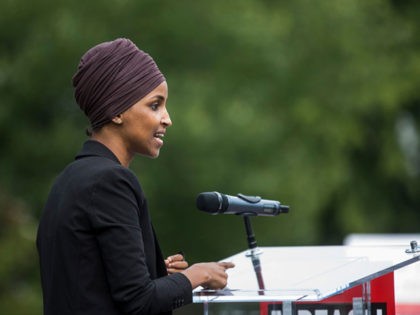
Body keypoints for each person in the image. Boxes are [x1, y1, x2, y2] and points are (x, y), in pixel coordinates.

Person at [36, 38, 234, 315]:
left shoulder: (69, 179)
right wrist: (198, 275)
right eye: (155, 105)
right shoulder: (111, 182)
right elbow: (138, 302)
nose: (167, 119)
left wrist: (159, 274)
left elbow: (87, 284)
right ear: (116, 111)